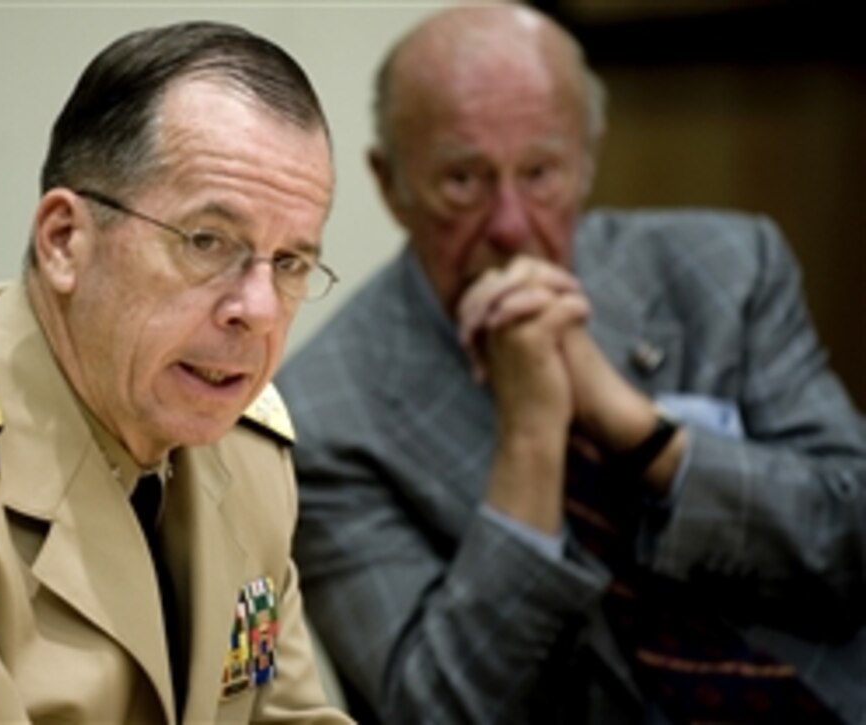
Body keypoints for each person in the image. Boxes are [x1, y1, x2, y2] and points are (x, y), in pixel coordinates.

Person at [276, 4, 866, 724]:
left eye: (542, 173)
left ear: (588, 161)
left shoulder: (727, 269)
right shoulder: (321, 415)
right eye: (463, 180)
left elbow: (850, 531)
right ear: (389, 184)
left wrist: (639, 431)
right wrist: (530, 441)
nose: (512, 225)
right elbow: (435, 709)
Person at [0, 21, 352, 724]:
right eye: (208, 241)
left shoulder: (248, 449)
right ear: (64, 240)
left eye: (290, 262)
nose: (259, 309)